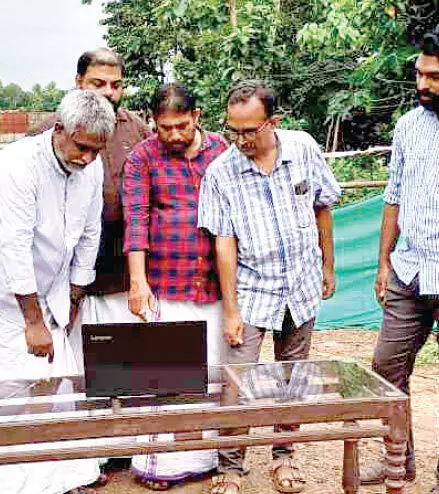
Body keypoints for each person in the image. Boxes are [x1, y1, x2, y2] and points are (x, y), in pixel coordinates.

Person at [197, 80, 341, 494]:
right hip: (252, 289)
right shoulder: (221, 172)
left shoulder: (303, 149)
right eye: (233, 131)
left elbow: (322, 207)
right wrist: (232, 310)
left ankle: (284, 455)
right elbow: (224, 244)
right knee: (237, 379)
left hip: (301, 283)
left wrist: (328, 266)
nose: (240, 140)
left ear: (273, 122)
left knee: (292, 376)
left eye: (249, 131)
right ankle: (230, 465)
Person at [0, 89, 115, 494]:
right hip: (6, 302)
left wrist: (74, 297)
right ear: (60, 129)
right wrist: (33, 322)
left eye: (96, 150)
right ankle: (16, 485)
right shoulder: (19, 163)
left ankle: (66, 480)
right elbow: (14, 246)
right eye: (82, 147)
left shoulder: (91, 167)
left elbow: (89, 234)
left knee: (60, 389)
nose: (87, 158)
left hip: (53, 297)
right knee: (15, 393)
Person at [123, 83, 229, 490]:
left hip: (215, 284)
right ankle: (161, 466)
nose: (173, 135)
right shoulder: (143, 157)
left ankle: (205, 457)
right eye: (164, 127)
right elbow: (136, 220)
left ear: (197, 116)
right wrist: (138, 283)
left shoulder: (221, 151)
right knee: (168, 377)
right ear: (154, 122)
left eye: (181, 126)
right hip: (166, 282)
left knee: (212, 374)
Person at [30, 48, 149, 375]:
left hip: (121, 280)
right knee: (73, 374)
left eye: (116, 85)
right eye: (98, 83)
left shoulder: (137, 130)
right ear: (79, 82)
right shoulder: (50, 133)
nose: (109, 92)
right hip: (65, 285)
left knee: (125, 374)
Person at [360, 28, 439, 489]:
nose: (422, 84)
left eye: (434, 76)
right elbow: (393, 197)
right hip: (409, 270)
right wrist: (383, 263)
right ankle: (398, 460)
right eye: (420, 74)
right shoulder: (409, 125)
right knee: (387, 368)